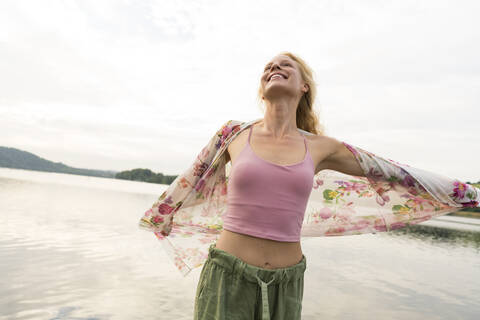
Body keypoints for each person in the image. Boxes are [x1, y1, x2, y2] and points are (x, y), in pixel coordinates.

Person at [194, 52, 366, 320]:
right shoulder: (233, 134)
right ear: (262, 90)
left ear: (304, 86)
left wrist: (455, 191)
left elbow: (387, 171)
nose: (274, 67)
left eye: (285, 65)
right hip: (227, 280)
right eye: (268, 67)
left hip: (286, 286)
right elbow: (194, 180)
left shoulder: (322, 147)